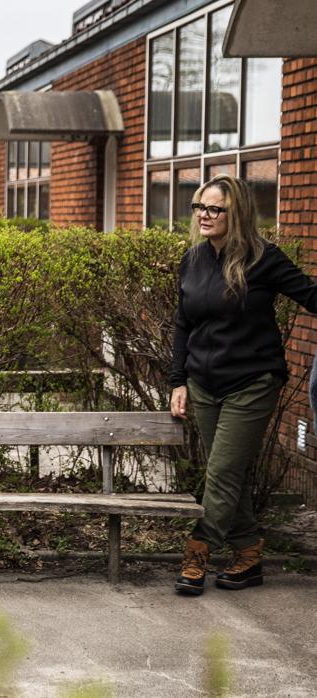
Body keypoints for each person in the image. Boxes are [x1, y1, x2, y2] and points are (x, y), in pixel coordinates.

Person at [170, 174, 317, 596]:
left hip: (251, 382)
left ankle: (197, 552)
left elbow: (310, 295)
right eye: (200, 206)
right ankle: (249, 555)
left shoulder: (263, 259)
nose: (204, 215)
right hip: (203, 383)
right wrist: (179, 380)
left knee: (220, 473)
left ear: (236, 214)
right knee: (228, 474)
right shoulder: (193, 259)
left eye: (215, 209)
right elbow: (183, 324)